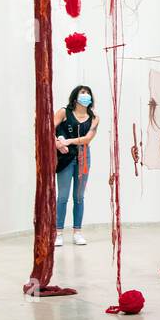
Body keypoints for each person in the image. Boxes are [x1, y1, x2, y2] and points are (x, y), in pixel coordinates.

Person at [55, 85, 99, 246]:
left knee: (79, 197)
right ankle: (58, 232)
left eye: (88, 93)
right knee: (62, 196)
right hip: (66, 157)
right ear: (75, 97)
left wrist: (70, 141)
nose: (85, 96)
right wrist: (58, 143)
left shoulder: (94, 117)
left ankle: (77, 232)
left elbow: (87, 139)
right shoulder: (64, 112)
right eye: (82, 93)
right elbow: (47, 128)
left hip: (83, 156)